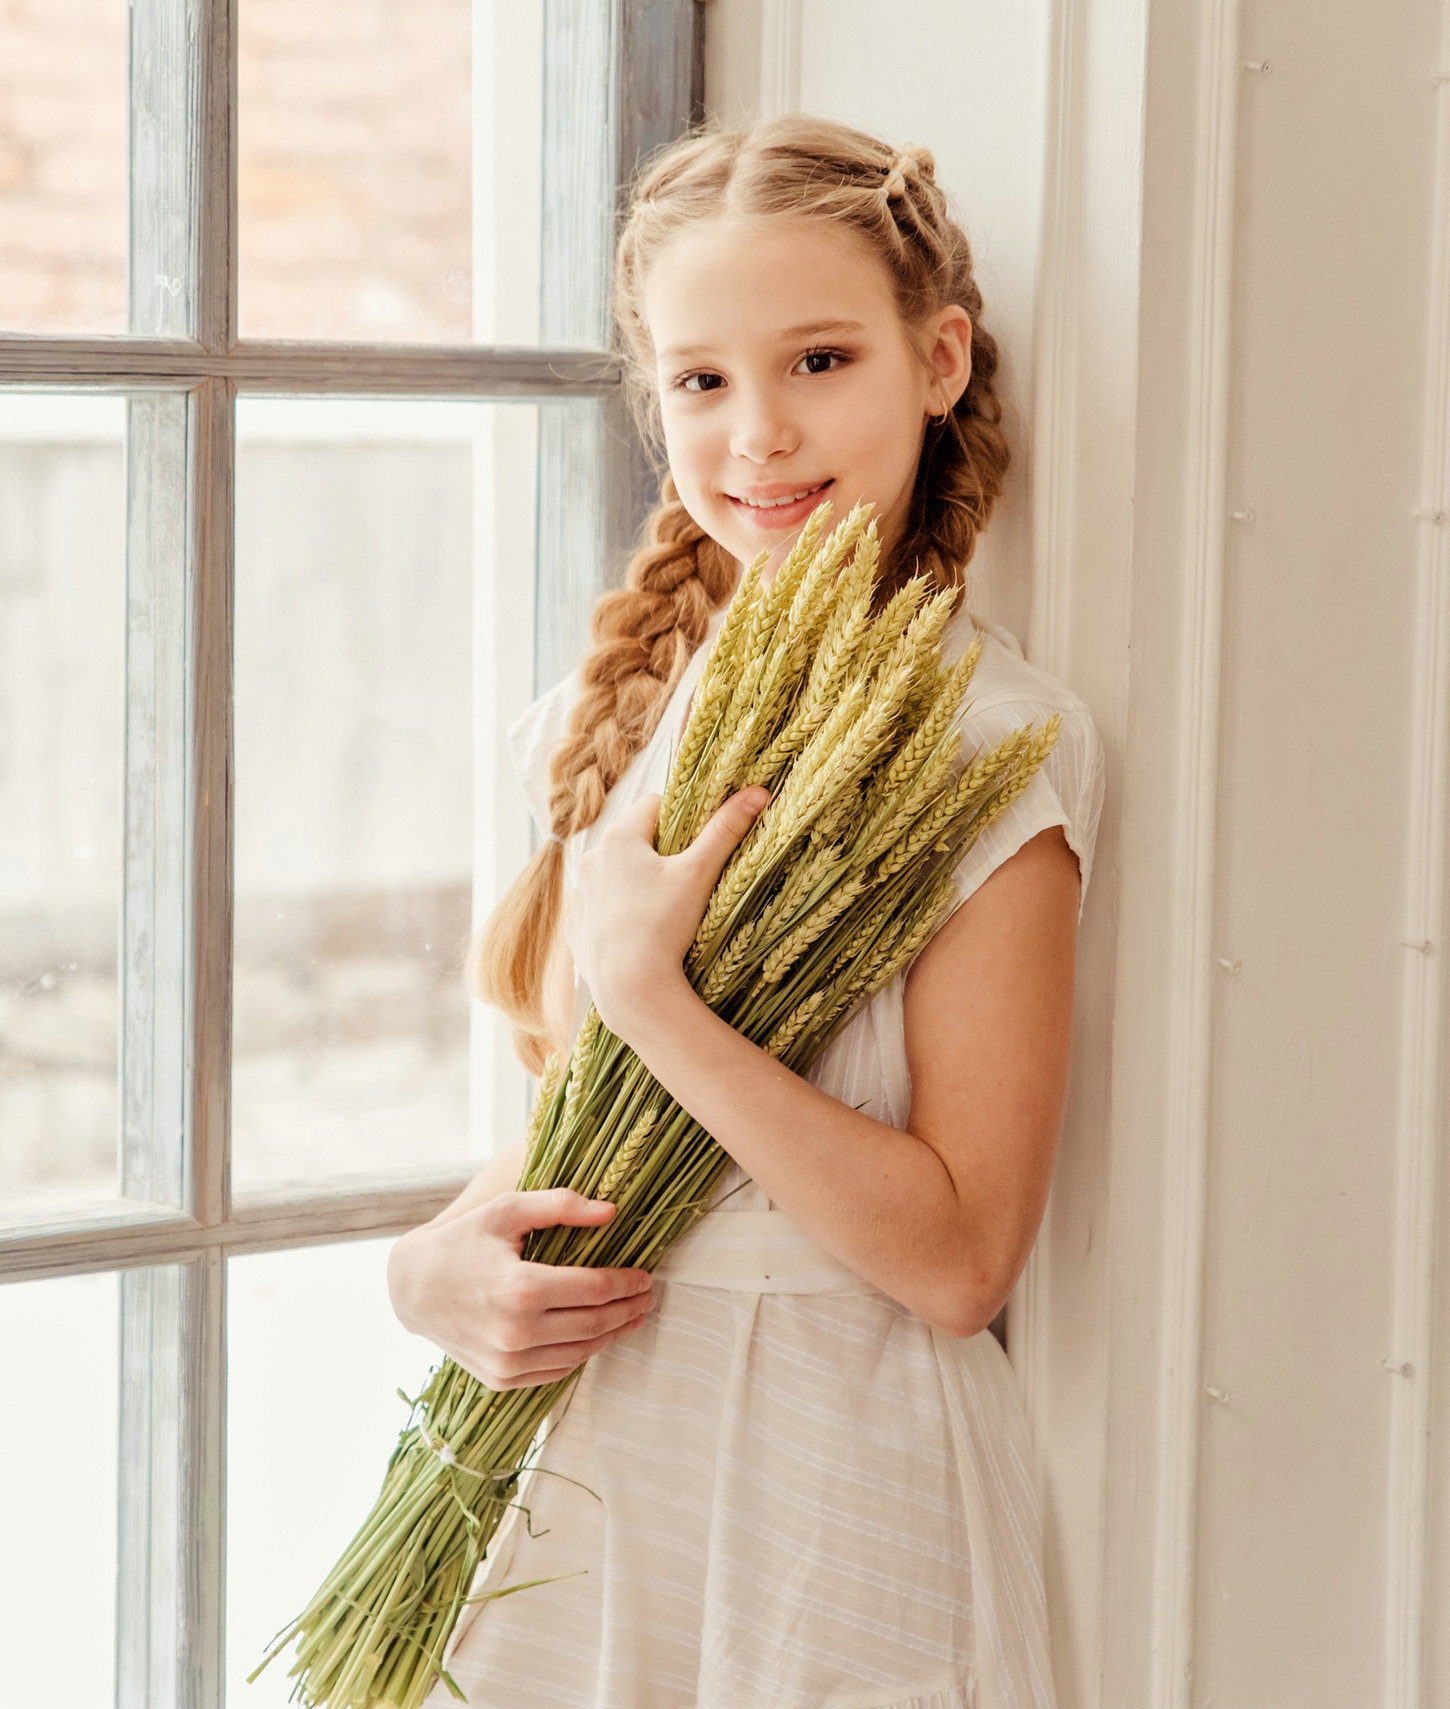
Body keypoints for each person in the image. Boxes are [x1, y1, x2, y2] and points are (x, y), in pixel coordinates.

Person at [386, 115, 1102, 1709]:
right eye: (702, 381)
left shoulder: (990, 742)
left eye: (820, 361)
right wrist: (435, 1260)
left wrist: (651, 990)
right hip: (589, 1460)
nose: (758, 435)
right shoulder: (614, 712)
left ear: (940, 358)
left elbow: (963, 1257)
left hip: (836, 1479)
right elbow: (587, 1129)